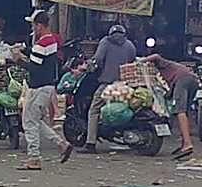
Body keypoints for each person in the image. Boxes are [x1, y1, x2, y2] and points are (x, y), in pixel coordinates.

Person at [17, 9, 73, 170]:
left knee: (29, 123)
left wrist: (17, 60)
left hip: (38, 87)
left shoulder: (42, 44)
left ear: (39, 26)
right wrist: (25, 50)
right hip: (47, 87)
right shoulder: (51, 41)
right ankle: (61, 144)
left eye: (34, 25)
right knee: (35, 120)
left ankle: (34, 158)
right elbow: (40, 58)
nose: (33, 28)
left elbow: (34, 68)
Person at [83, 24, 138, 153]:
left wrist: (89, 66)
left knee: (94, 109)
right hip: (125, 86)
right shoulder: (130, 45)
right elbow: (132, 61)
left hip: (108, 85)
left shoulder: (105, 42)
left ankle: (90, 143)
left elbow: (98, 59)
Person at [145, 52, 200, 161]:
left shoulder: (162, 63)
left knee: (180, 111)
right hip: (193, 80)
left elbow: (156, 56)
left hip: (182, 79)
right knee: (185, 111)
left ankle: (187, 143)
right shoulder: (166, 73)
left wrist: (139, 61)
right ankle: (184, 143)